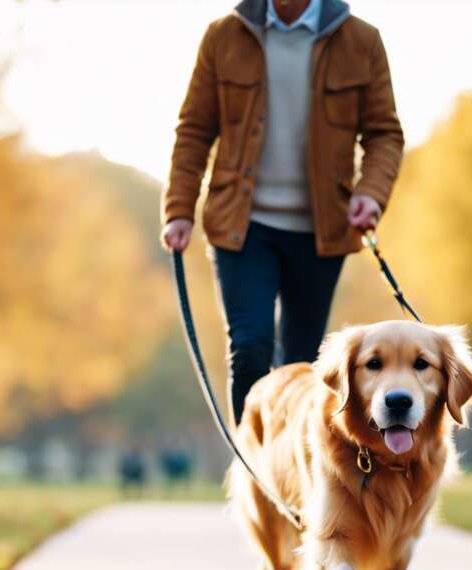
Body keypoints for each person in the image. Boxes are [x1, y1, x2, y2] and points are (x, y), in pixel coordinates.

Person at [162, 0, 404, 424]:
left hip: (321, 231)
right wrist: (179, 209)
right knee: (251, 345)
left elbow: (384, 134)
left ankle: (294, 479)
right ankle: (254, 474)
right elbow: (195, 130)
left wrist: (371, 194)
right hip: (242, 226)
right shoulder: (224, 36)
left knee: (301, 365)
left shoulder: (361, 41)